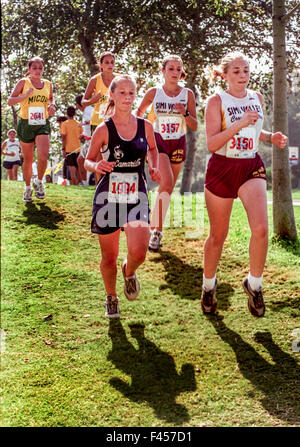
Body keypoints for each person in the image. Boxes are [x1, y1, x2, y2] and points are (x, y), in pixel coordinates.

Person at [202, 51, 288, 318]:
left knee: (261, 229)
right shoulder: (216, 101)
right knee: (218, 235)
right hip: (222, 168)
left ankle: (254, 284)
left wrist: (269, 136)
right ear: (225, 76)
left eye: (246, 70)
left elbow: (253, 130)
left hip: (250, 165)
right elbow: (212, 143)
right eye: (236, 71)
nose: (242, 75)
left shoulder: (256, 98)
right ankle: (208, 286)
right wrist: (239, 122)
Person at [84, 75, 161, 318]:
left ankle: (129, 272)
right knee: (109, 255)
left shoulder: (145, 126)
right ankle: (111, 297)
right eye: (122, 93)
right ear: (113, 96)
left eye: (131, 93)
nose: (128, 97)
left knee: (139, 251)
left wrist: (153, 165)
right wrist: (96, 167)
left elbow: (153, 148)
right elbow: (86, 159)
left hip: (136, 194)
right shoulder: (103, 129)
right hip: (109, 196)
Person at [137, 55, 198, 250]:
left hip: (178, 143)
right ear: (163, 71)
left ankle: (153, 225)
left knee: (167, 189)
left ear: (182, 73)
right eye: (170, 68)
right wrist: (139, 135)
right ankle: (156, 232)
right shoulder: (154, 92)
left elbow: (195, 125)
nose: (175, 72)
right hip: (158, 142)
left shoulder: (187, 94)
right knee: (168, 182)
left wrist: (185, 113)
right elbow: (138, 113)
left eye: (178, 69)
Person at [7, 56, 55, 202]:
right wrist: (25, 95)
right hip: (26, 123)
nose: (37, 70)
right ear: (29, 69)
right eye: (34, 68)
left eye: (40, 68)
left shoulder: (47, 84)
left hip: (42, 123)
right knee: (28, 160)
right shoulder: (23, 82)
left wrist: (51, 106)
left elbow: (51, 98)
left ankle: (39, 182)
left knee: (42, 156)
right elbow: (10, 101)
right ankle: (27, 188)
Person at [82, 51, 120, 183]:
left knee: (116, 155)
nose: (110, 65)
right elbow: (83, 102)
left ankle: (114, 186)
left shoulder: (119, 79)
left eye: (112, 62)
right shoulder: (95, 80)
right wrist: (93, 100)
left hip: (116, 122)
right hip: (98, 122)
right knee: (99, 158)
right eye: (107, 62)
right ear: (101, 65)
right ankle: (100, 187)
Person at [60, 106, 83, 185]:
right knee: (78, 169)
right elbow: (81, 136)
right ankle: (80, 185)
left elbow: (63, 137)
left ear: (67, 113)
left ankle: (74, 185)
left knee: (72, 170)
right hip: (78, 149)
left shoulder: (64, 124)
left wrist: (63, 149)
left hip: (69, 149)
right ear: (75, 113)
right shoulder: (78, 124)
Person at [75, 94, 94, 185]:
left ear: (79, 105)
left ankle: (87, 183)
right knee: (80, 160)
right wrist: (83, 134)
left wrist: (84, 123)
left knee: (83, 161)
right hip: (88, 140)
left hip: (92, 140)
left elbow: (95, 121)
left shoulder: (90, 110)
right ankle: (84, 183)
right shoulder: (86, 111)